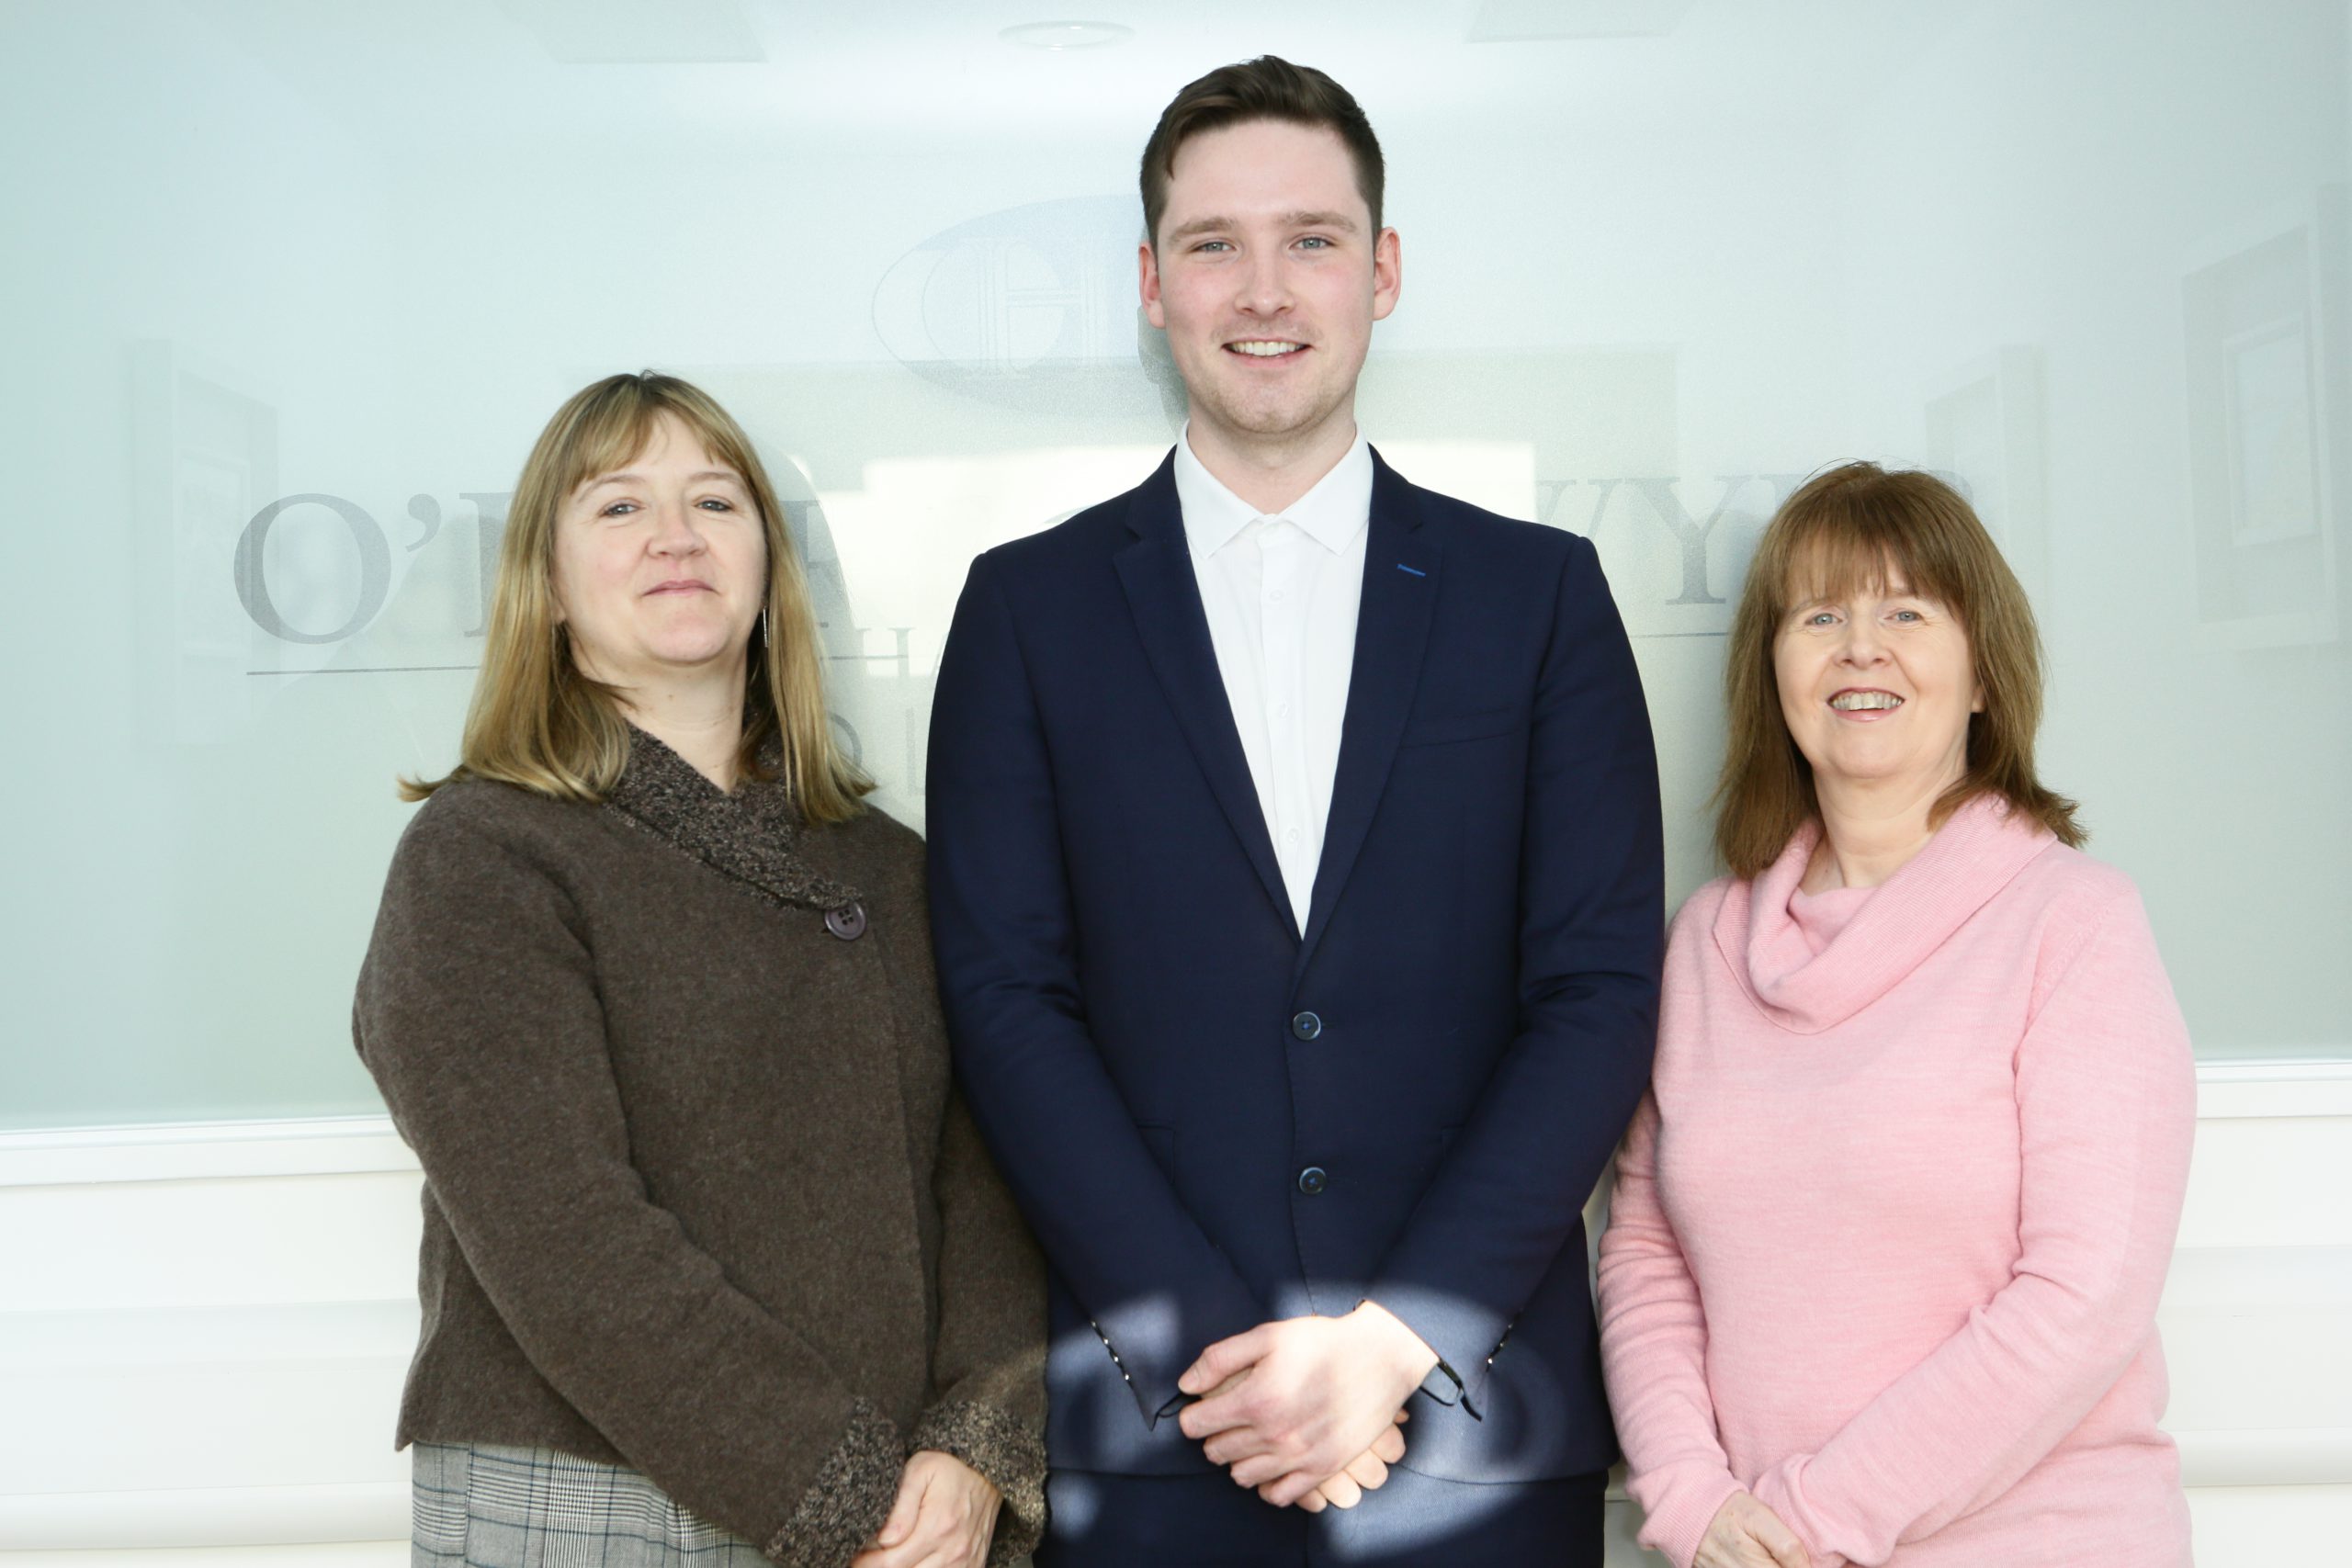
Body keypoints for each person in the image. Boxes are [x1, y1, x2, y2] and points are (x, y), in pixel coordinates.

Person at [925, 56, 1664, 1567]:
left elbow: (1595, 995)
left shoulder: (1539, 600)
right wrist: (1222, 1359)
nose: (1265, 289)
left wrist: (1393, 1342)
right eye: (1214, 244)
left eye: (1313, 238)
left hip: (1474, 1429)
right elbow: (1008, 1006)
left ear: (1383, 271)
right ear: (1151, 282)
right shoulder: (1025, 611)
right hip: (1156, 1432)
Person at [353, 372, 1046, 1568]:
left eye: (714, 500)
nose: (675, 533)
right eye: (617, 507)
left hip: (907, 1511)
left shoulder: (890, 868)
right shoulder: (478, 856)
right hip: (586, 1499)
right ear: (549, 588)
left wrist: (978, 1441)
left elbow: (985, 1185)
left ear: (769, 565)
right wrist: (842, 1486)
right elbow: (564, 1239)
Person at [1599, 462, 2197, 1568]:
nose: (1858, 646)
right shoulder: (1706, 942)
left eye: (1906, 611)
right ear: (1771, 671)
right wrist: (1688, 1499)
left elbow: (2084, 1296)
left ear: (1980, 676)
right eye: (1819, 613)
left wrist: (1812, 1522)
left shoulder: (2072, 923)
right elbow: (1646, 1254)